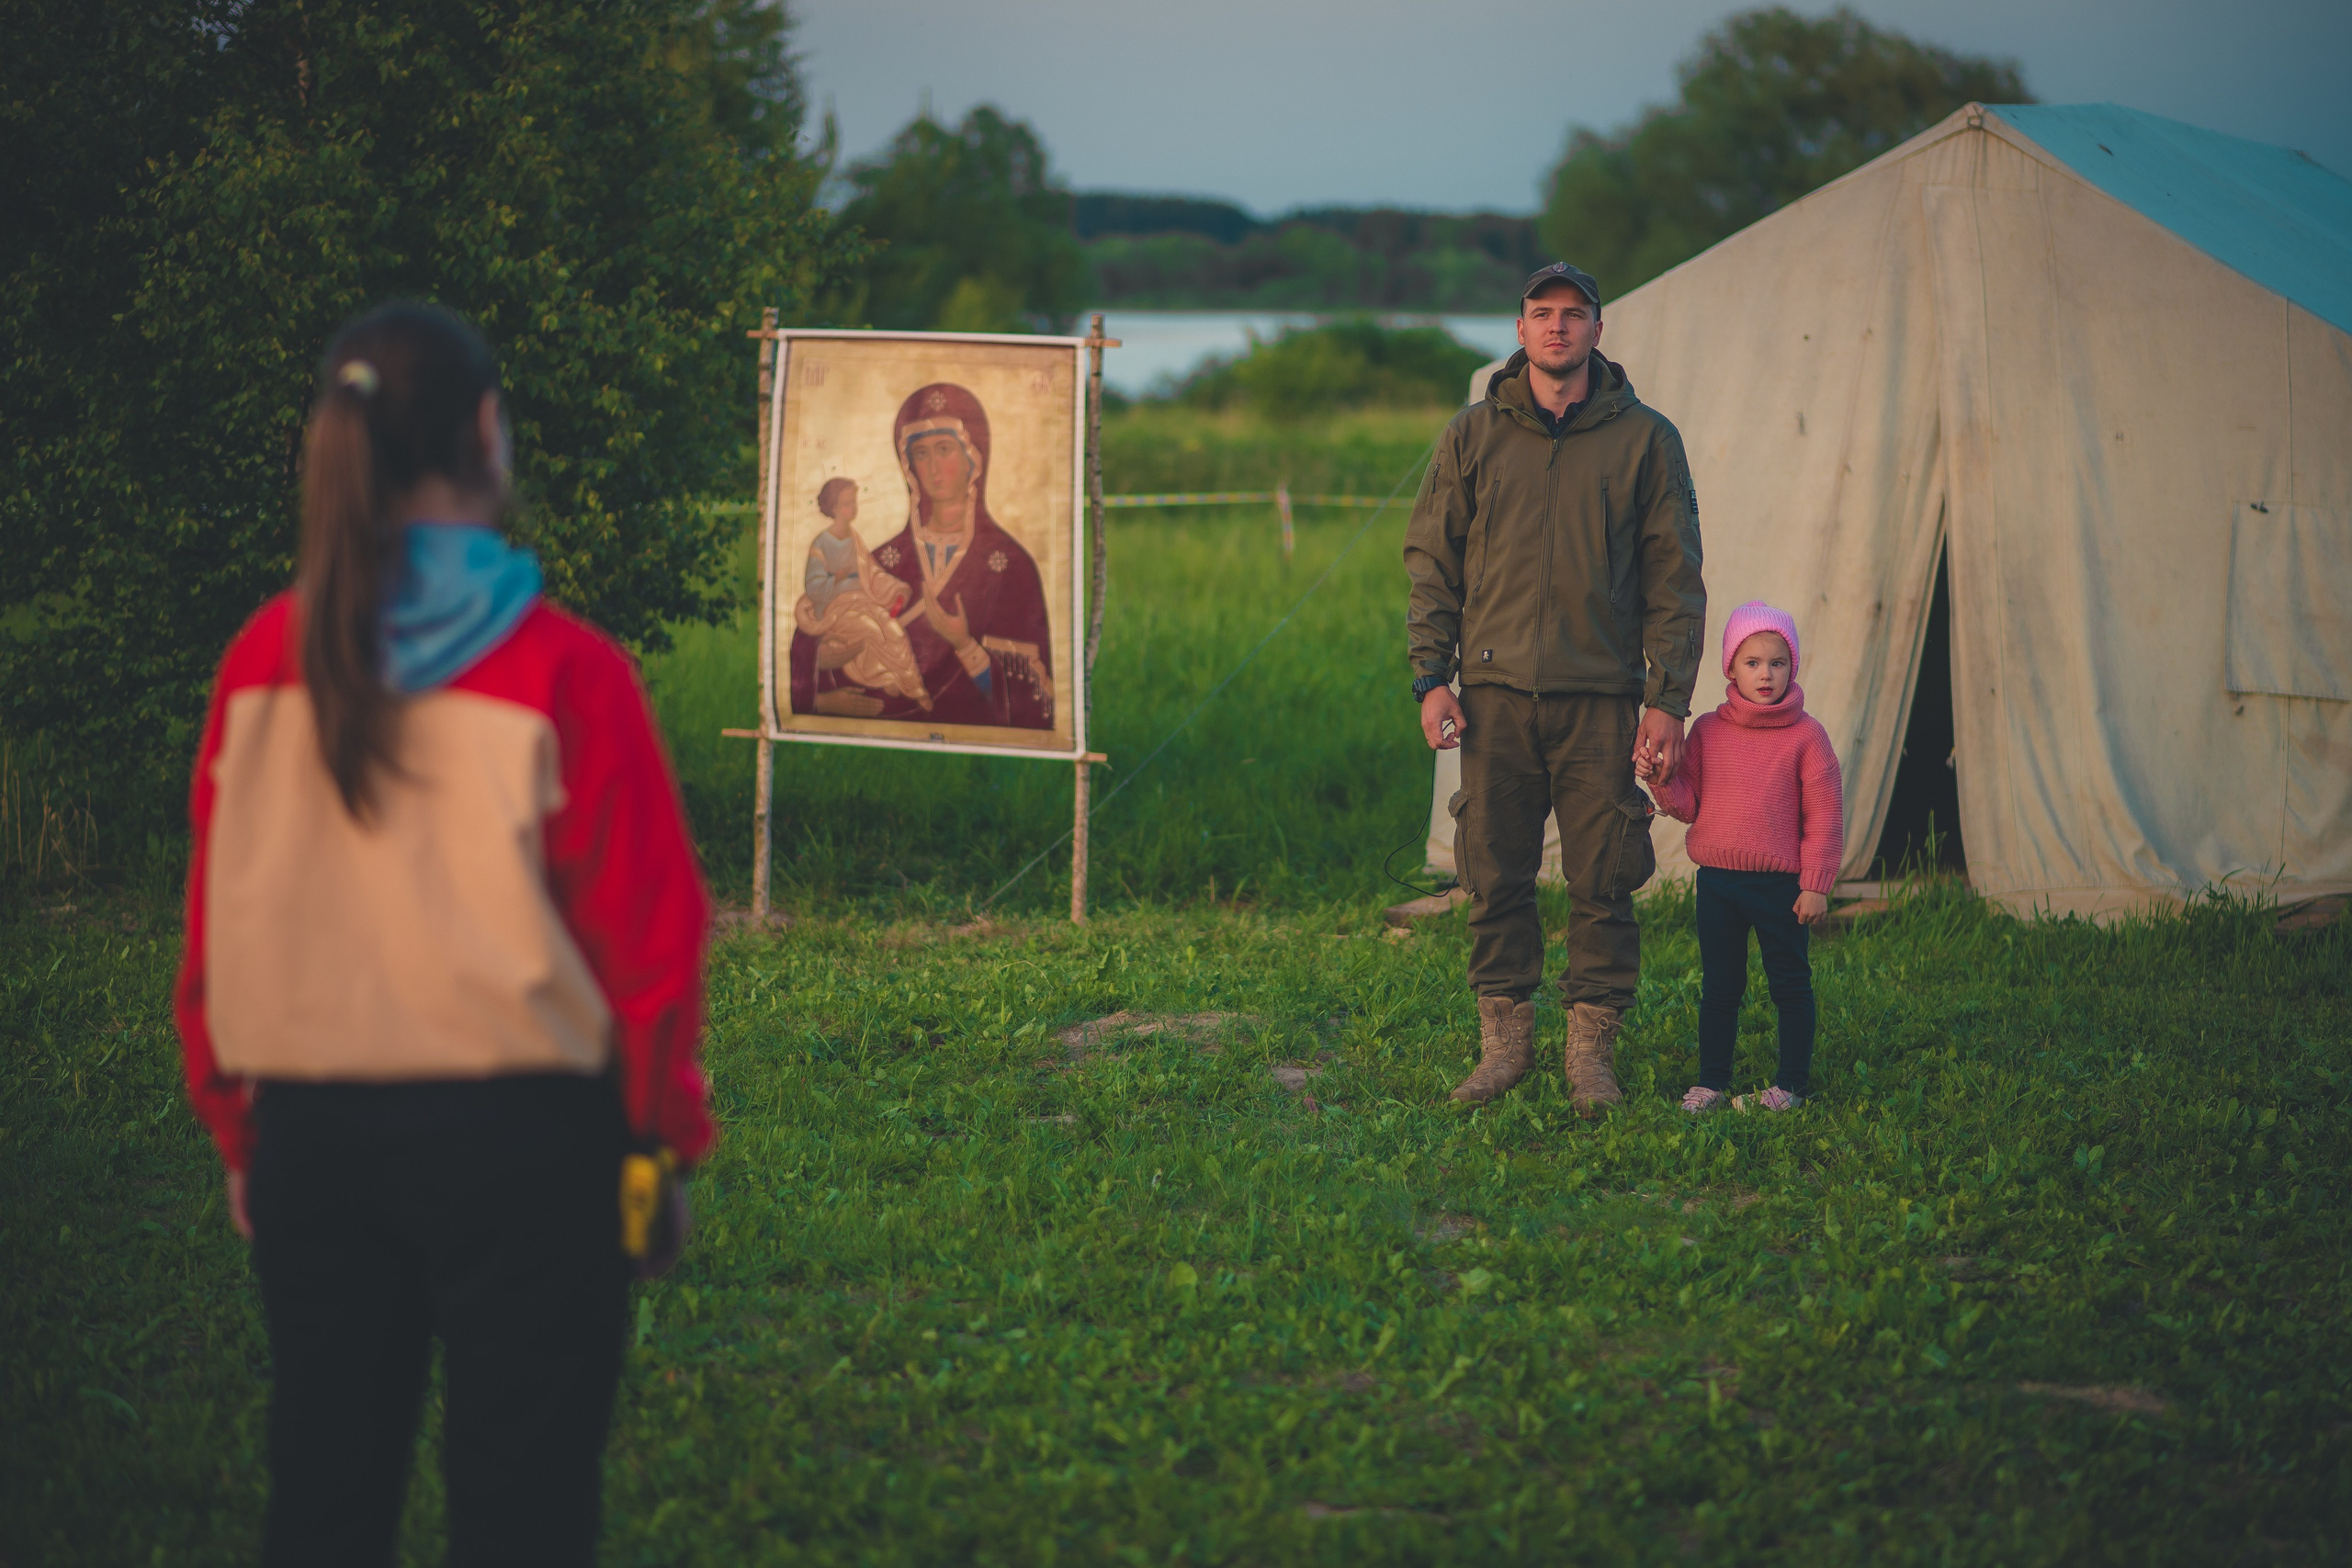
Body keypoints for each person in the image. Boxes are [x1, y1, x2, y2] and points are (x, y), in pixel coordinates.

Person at [175, 301, 715, 1567]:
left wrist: (242, 1128)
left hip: (313, 1134)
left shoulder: (262, 656)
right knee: (524, 1503)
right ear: (487, 432)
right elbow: (651, 943)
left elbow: (220, 926)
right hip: (529, 1146)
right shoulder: (566, 670)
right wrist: (660, 1146)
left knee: (322, 1492)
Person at [1404, 261, 1706, 1114]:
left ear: (1599, 331)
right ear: (1520, 327)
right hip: (1493, 693)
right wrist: (1433, 676)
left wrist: (1666, 700)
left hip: (1603, 698)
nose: (1558, 327)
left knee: (1604, 876)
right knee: (1493, 871)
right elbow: (1432, 561)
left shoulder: (1647, 438)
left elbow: (1674, 577)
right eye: (1543, 313)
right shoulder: (1473, 435)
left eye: (1575, 314)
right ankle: (1503, 1047)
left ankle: (1590, 1059)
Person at [1640, 601, 1843, 1112]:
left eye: (1777, 663)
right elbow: (1689, 805)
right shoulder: (1708, 730)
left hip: (1779, 888)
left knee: (1790, 984)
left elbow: (1824, 816)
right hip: (1717, 886)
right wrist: (1659, 778)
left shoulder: (1807, 737)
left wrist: (1815, 884)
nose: (1766, 674)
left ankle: (1791, 1085)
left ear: (1792, 667)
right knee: (1720, 986)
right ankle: (1711, 1082)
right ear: (1730, 667)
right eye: (1752, 663)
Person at [789, 382, 1055, 728]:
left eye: (945, 449)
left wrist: (964, 645)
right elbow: (809, 640)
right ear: (908, 464)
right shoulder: (882, 561)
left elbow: (1034, 701)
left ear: (972, 458)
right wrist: (822, 690)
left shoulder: (1009, 563)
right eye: (922, 453)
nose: (932, 467)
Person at [794, 477, 931, 709]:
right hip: (834, 609)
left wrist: (895, 589)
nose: (853, 508)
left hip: (861, 602)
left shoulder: (853, 537)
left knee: (893, 630)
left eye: (854, 502)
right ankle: (886, 677)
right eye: (847, 503)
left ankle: (914, 686)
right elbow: (813, 587)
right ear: (834, 508)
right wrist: (834, 580)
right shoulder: (822, 543)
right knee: (871, 630)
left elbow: (871, 573)